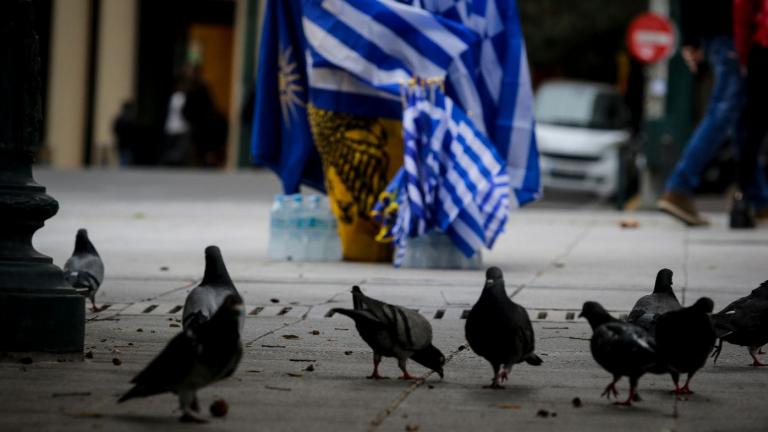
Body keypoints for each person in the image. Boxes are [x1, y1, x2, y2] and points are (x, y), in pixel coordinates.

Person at [657, 0, 746, 226]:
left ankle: (757, 197)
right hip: (732, 31)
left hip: (725, 30)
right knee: (725, 109)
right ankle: (680, 185)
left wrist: (691, 39)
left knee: (738, 112)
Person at [732, 0, 768, 227]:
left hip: (763, 48)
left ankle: (742, 199)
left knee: (753, 129)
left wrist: (743, 55)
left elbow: (742, 9)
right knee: (753, 128)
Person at [162, 73, 192, 165]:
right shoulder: (181, 97)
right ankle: (175, 161)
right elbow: (184, 112)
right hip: (180, 127)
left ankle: (171, 161)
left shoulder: (173, 97)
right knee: (179, 148)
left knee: (171, 148)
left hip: (172, 126)